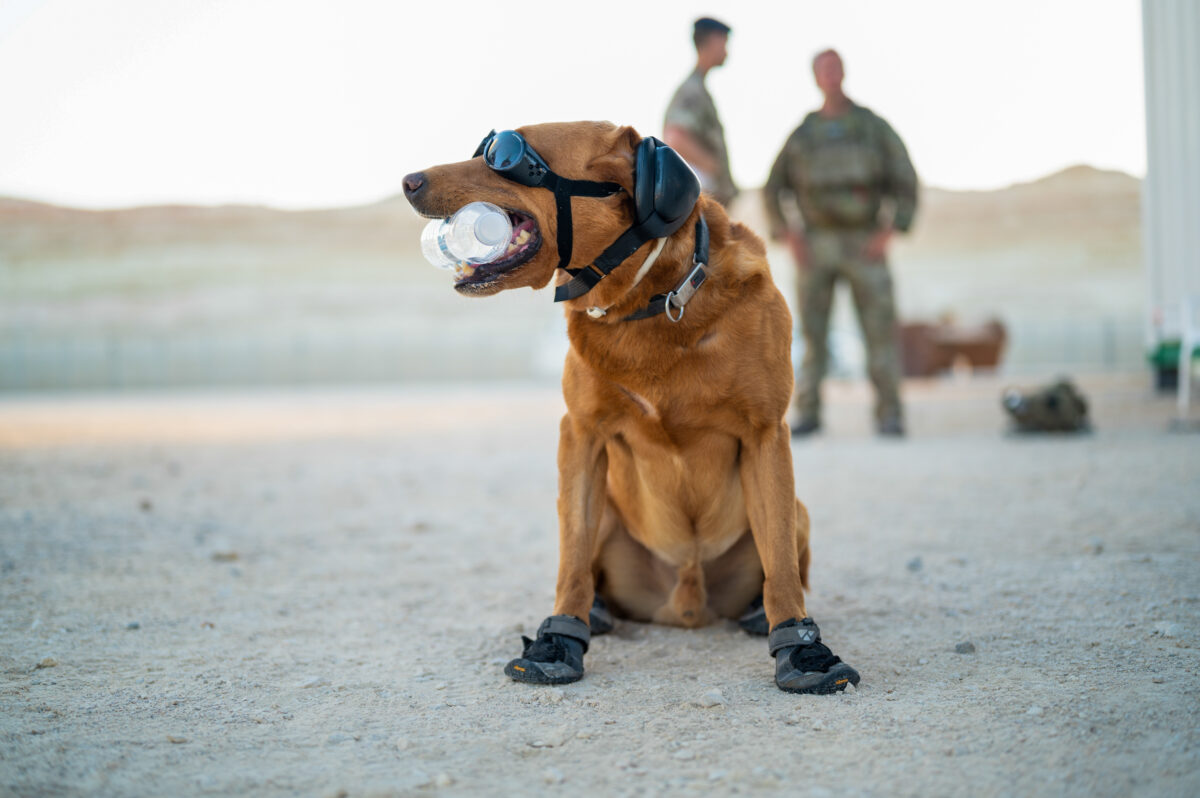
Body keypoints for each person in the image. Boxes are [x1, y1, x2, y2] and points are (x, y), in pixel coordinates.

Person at [764, 48, 918, 437]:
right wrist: (790, 235)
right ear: (815, 77)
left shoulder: (871, 127)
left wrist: (889, 230)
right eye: (823, 70)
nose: (830, 76)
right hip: (816, 246)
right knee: (812, 335)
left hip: (864, 243)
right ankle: (809, 413)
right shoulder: (803, 133)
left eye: (836, 68)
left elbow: (905, 179)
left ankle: (890, 414)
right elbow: (773, 188)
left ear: (844, 73)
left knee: (879, 331)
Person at [663, 17, 738, 207]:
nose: (726, 51)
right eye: (723, 43)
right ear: (712, 41)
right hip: (701, 203)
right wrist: (713, 170)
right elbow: (675, 138)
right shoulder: (692, 91)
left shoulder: (699, 90)